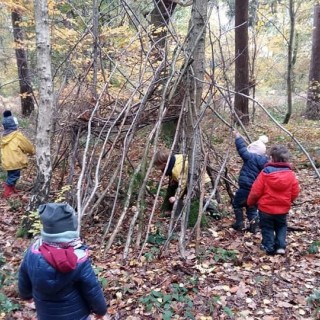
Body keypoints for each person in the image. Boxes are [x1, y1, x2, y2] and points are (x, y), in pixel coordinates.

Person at [18, 203, 108, 320]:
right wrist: (100, 311)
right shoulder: (79, 259)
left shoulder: (33, 252)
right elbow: (92, 289)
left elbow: (23, 276)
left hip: (45, 315)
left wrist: (26, 296)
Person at [247, 145, 300, 255]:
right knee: (281, 226)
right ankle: (280, 246)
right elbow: (295, 191)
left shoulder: (265, 173)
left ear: (271, 158)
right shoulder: (290, 174)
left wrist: (250, 202)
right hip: (282, 208)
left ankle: (269, 246)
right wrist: (289, 200)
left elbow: (256, 190)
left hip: (266, 209)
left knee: (267, 227)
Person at [153, 150, 219, 217]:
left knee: (200, 199)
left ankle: (215, 213)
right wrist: (174, 178)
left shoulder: (176, 169)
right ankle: (177, 213)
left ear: (164, 164)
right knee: (198, 198)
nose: (157, 168)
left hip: (201, 181)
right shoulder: (175, 159)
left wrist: (176, 197)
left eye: (157, 166)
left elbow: (183, 182)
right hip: (196, 180)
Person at [232, 131, 269, 233]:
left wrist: (238, 138)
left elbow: (242, 150)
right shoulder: (265, 161)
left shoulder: (250, 157)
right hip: (256, 190)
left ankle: (239, 223)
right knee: (252, 208)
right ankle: (254, 226)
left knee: (236, 204)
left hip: (245, 188)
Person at [1, 110, 35, 198]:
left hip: (7, 162)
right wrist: (32, 151)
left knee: (11, 175)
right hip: (15, 161)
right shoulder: (17, 135)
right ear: (14, 125)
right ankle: (7, 193)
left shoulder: (3, 137)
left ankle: (11, 189)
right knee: (14, 177)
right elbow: (27, 146)